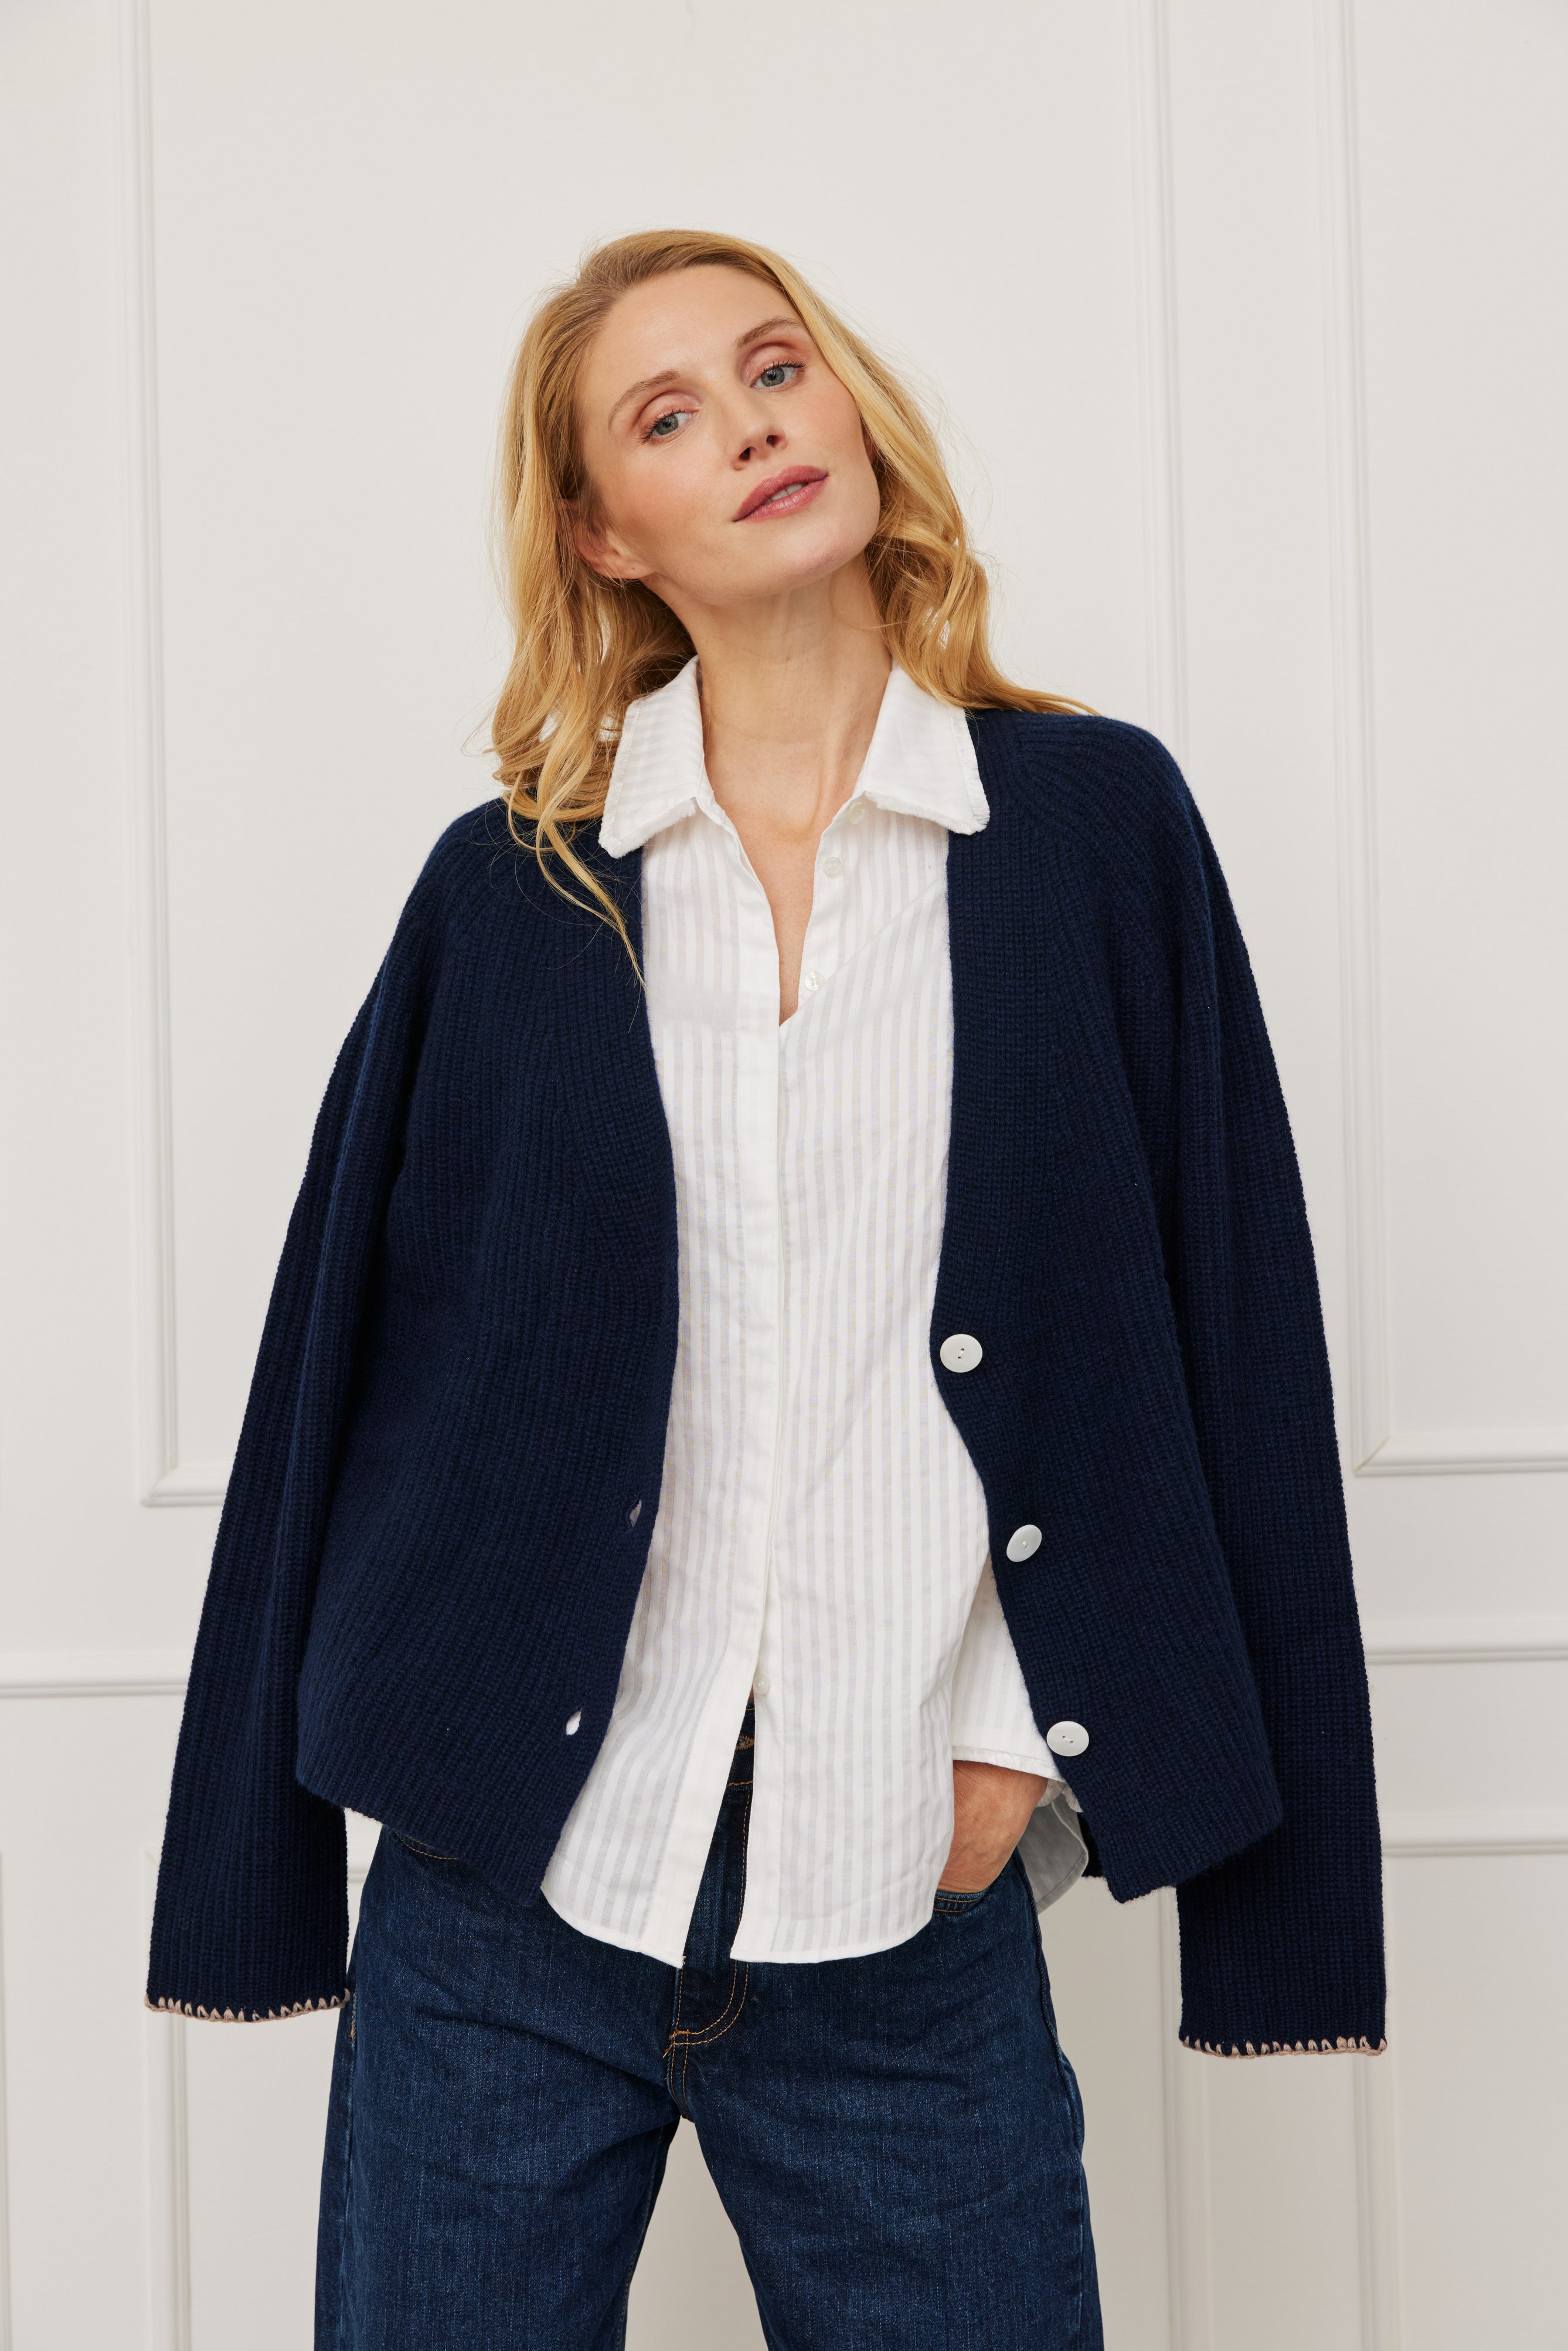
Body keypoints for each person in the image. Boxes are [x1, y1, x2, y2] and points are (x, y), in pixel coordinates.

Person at [146, 229, 1386, 2351]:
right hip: (507, 1908)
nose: (750, 427)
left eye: (775, 367)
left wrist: (1017, 1746)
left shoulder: (1090, 829)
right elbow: (344, 1363)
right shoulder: (512, 885)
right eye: (668, 416)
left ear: (853, 412)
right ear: (603, 534)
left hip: (903, 1897)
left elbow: (1217, 1326)